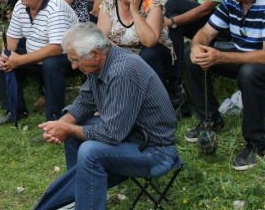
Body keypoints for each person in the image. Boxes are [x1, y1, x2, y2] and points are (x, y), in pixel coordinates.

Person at [39, 22, 179, 210]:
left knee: (89, 151)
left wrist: (69, 129)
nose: (73, 66)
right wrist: (60, 126)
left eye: (75, 60)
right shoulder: (99, 64)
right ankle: (82, 196)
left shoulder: (122, 72)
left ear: (95, 54)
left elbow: (111, 134)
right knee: (73, 130)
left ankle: (83, 197)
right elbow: (85, 102)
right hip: (132, 136)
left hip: (155, 151)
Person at [185, 0, 265, 170]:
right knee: (192, 55)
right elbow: (205, 32)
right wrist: (197, 47)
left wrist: (221, 57)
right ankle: (210, 119)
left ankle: (257, 142)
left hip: (259, 63)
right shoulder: (230, 0)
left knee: (249, 73)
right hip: (243, 57)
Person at [0, 0, 79, 130]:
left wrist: (19, 60)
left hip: (70, 60)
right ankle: (15, 110)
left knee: (51, 63)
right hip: (39, 56)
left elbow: (56, 49)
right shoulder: (20, 6)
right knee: (2, 57)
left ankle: (54, 119)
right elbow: (11, 38)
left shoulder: (55, 7)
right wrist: (6, 53)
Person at [98, 0, 174, 85]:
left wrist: (135, 11)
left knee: (148, 54)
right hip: (119, 51)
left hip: (152, 51)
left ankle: (156, 94)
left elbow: (150, 41)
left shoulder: (150, 2)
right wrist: (121, 55)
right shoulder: (109, 3)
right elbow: (102, 37)